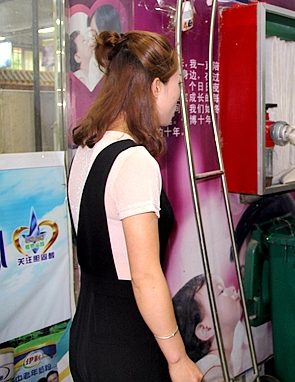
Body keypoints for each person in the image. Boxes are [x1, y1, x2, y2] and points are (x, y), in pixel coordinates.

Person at [68, 30, 203, 382]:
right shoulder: (134, 161)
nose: (179, 96)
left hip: (87, 333)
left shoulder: (87, 149)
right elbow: (144, 277)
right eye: (177, 85)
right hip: (127, 342)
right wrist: (178, 359)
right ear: (156, 87)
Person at [173, 274, 249, 381]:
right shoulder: (212, 370)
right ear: (205, 329)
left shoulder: (237, 340)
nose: (232, 288)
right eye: (221, 291)